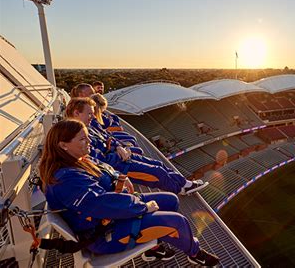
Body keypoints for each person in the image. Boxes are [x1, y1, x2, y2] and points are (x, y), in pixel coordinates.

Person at [39, 120, 219, 266]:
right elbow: (102, 204)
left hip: (112, 216)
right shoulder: (66, 178)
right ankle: (194, 253)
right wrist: (142, 207)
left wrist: (121, 179)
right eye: (82, 140)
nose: (89, 143)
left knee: (171, 200)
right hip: (103, 234)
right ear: (63, 145)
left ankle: (153, 248)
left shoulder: (77, 160)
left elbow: (106, 169)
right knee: (177, 222)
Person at [65, 97, 208, 195]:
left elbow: (108, 138)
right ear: (76, 113)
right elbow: (97, 160)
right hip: (118, 166)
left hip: (121, 157)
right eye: (89, 114)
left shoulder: (87, 126)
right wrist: (118, 153)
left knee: (159, 164)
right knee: (157, 172)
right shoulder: (75, 136)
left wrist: (120, 147)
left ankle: (185, 184)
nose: (92, 117)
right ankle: (180, 189)